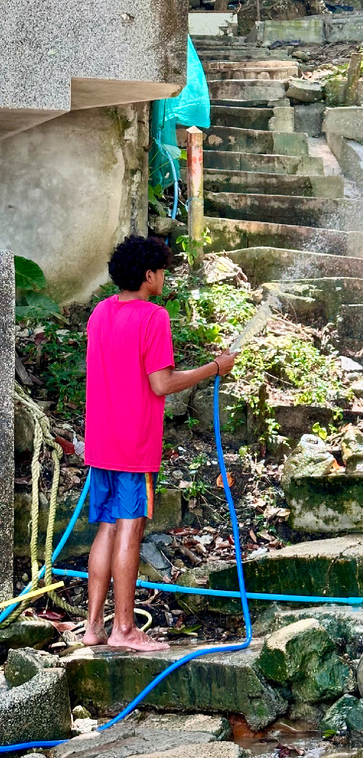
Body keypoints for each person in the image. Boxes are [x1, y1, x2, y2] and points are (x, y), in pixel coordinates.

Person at [83, 235, 236, 652]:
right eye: (162, 271)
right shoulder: (153, 318)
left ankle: (94, 627)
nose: (164, 278)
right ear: (148, 275)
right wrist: (214, 368)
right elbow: (161, 383)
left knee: (107, 529)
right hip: (133, 445)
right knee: (131, 530)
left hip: (100, 441)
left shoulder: (99, 314)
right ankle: (125, 630)